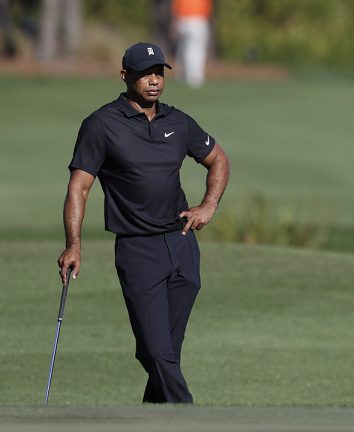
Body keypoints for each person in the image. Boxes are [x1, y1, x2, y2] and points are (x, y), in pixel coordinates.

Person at [57, 42, 230, 404]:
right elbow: (79, 188)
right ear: (125, 76)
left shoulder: (178, 122)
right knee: (155, 351)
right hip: (138, 249)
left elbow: (218, 160)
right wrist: (73, 244)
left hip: (182, 244)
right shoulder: (101, 125)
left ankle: (153, 417)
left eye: (158, 73)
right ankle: (187, 416)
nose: (153, 81)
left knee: (166, 352)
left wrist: (208, 205)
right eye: (144, 74)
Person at [172, 0, 213, 88]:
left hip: (184, 20)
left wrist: (175, 20)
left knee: (184, 49)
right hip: (198, 20)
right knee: (196, 50)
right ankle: (194, 77)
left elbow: (176, 7)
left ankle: (182, 75)